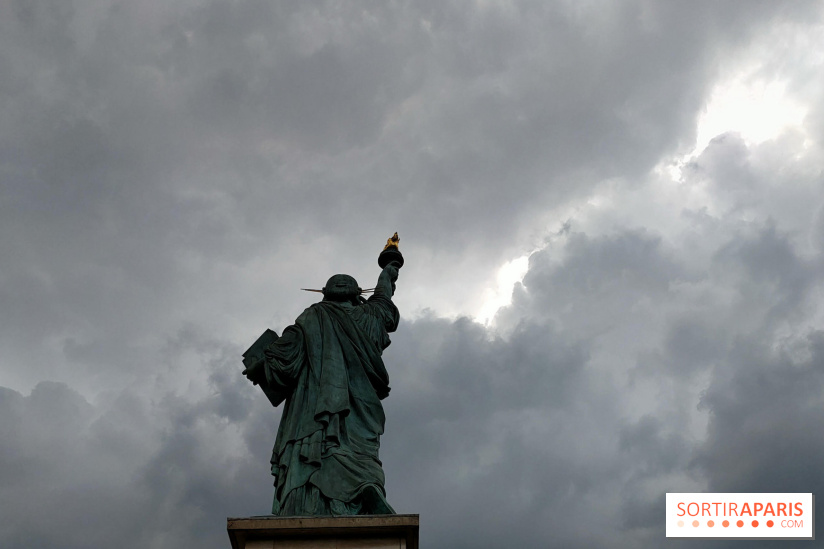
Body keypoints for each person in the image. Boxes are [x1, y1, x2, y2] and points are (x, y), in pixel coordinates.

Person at [243, 262, 401, 515]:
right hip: (324, 400)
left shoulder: (331, 315)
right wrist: (264, 365)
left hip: (340, 403)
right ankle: (358, 488)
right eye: (336, 280)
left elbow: (383, 297)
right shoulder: (317, 317)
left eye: (345, 280)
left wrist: (387, 277)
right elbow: (286, 354)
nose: (340, 281)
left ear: (356, 292)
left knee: (342, 446)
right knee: (338, 447)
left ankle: (358, 488)